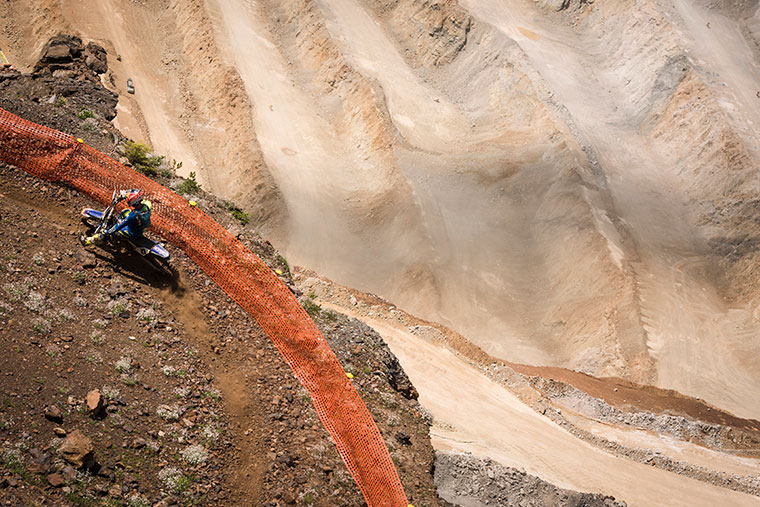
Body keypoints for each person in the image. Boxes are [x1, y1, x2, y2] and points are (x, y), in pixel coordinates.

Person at [81, 189, 152, 245]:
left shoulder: (131, 216)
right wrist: (123, 196)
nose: (127, 200)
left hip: (131, 232)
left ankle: (87, 241)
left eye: (128, 200)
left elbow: (118, 226)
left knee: (107, 235)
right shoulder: (147, 205)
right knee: (125, 211)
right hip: (142, 227)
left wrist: (106, 232)